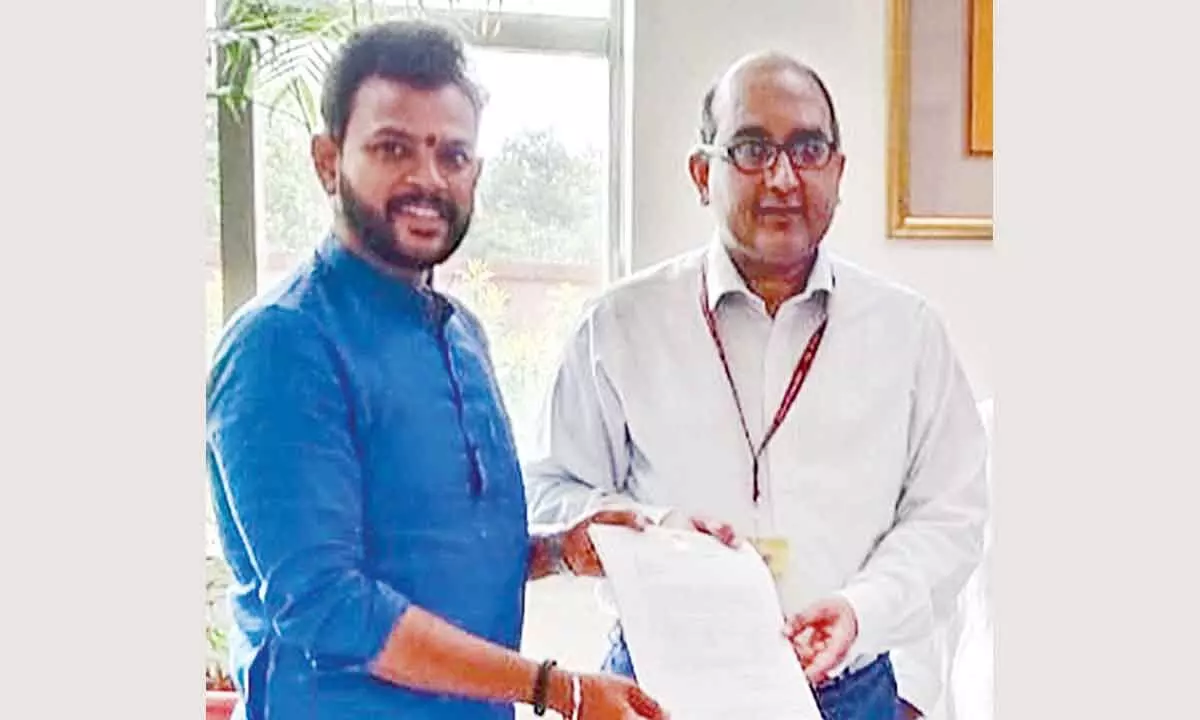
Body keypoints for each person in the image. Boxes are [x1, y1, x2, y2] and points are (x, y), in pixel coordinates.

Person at [205, 20, 668, 720]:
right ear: (328, 161)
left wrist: (559, 552)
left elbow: (439, 550)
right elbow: (329, 605)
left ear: (475, 174)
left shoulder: (462, 336)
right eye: (393, 148)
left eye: (453, 155)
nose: (427, 178)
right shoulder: (282, 346)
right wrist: (557, 688)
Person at [523, 50, 990, 719]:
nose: (782, 176)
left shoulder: (907, 333)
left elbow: (951, 514)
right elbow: (547, 492)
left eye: (807, 148)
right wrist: (652, 532)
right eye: (750, 148)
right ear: (701, 173)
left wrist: (864, 616)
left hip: (847, 690)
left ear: (838, 169)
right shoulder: (618, 326)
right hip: (659, 690)